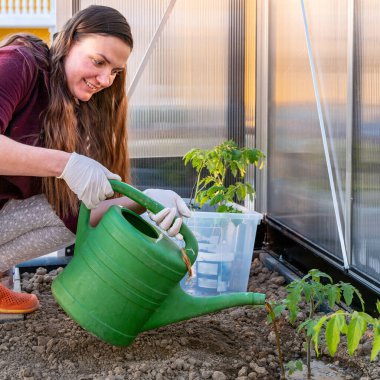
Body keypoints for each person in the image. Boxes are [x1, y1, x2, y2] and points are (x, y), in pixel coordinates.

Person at [0, 5, 190, 314]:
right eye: (99, 61)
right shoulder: (20, 64)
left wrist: (146, 201)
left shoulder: (74, 108)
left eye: (114, 71)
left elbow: (80, 213)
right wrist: (66, 164)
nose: (105, 79)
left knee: (69, 207)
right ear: (71, 41)